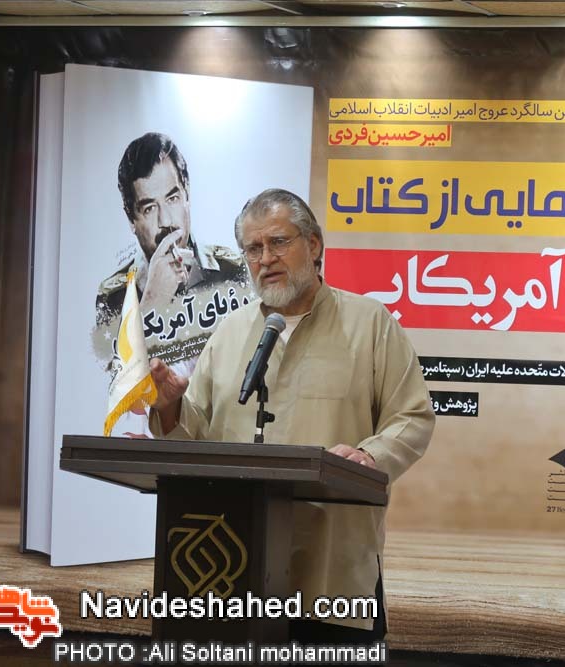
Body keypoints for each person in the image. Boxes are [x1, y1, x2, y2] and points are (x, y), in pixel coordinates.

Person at [148, 188, 435, 641]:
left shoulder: (370, 323)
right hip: (232, 565)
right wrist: (169, 408)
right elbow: (196, 432)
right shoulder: (229, 332)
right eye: (253, 248)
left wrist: (370, 457)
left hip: (332, 569)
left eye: (278, 242)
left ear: (314, 244)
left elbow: (412, 416)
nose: (265, 259)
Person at [94, 132, 249, 377]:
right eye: (149, 208)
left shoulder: (232, 270)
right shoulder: (113, 296)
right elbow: (120, 384)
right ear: (131, 218)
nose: (166, 221)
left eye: (173, 198)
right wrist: (153, 301)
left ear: (187, 193)